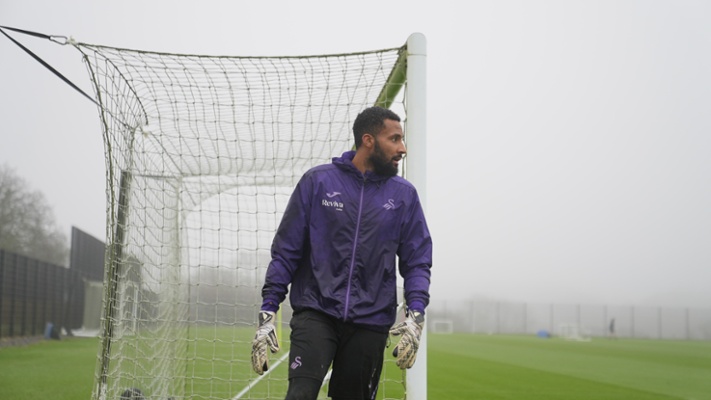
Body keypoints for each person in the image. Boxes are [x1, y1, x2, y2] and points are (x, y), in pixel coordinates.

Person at [251, 106, 433, 400]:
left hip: (371, 320)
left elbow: (418, 261)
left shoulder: (404, 195)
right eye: (395, 139)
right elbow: (287, 250)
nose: (403, 148)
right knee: (300, 395)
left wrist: (415, 314)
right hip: (316, 311)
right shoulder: (318, 182)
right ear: (368, 140)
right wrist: (268, 310)